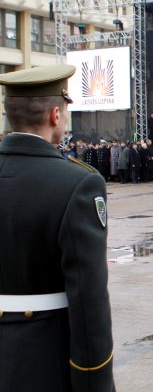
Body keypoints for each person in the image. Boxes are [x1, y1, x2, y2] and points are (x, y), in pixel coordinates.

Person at [0, 64, 115, 391]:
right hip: (41, 359)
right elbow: (88, 300)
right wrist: (95, 381)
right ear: (55, 115)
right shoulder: (77, 184)